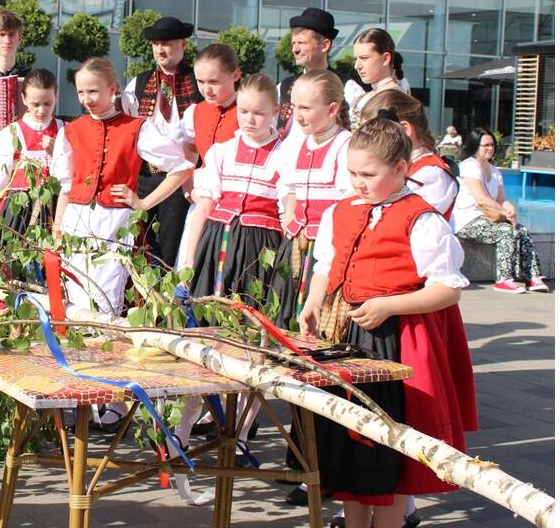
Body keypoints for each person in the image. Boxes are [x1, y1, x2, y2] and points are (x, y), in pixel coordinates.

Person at [297, 117, 477, 528]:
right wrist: (312, 302)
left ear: (400, 169)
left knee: (388, 452)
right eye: (353, 173)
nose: (358, 183)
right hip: (347, 340)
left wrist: (391, 305)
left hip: (394, 343)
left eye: (369, 175)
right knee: (352, 446)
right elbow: (326, 263)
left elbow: (447, 288)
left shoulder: (421, 219)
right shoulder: (341, 210)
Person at [52, 56, 192, 316]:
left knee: (105, 298)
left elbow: (182, 167)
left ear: (113, 89)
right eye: (81, 92)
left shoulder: (136, 128)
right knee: (73, 295)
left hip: (114, 220)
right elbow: (66, 186)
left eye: (93, 91)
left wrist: (143, 203)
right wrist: (58, 226)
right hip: (76, 221)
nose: (87, 99)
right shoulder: (71, 130)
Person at [184, 72, 283, 302]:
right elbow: (204, 207)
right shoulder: (223, 151)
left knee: (252, 310)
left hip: (260, 248)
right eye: (243, 111)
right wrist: (190, 259)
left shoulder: (285, 155)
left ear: (275, 111)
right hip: (217, 240)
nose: (249, 120)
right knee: (210, 306)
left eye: (259, 113)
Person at [272, 69, 353, 332]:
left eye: (305, 107)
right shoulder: (295, 144)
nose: (297, 115)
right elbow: (288, 185)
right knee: (286, 303)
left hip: (329, 244)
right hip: (297, 240)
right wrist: (288, 215)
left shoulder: (346, 145)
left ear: (332, 109)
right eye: (294, 106)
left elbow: (348, 200)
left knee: (321, 310)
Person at [123, 16, 204, 270]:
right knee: (140, 241)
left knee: (170, 247)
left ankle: (166, 303)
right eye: (156, 44)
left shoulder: (199, 83)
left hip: (180, 178)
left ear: (183, 45)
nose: (160, 49)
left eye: (167, 43)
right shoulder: (138, 83)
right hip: (145, 175)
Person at [173, 42, 243, 267]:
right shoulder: (196, 111)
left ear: (235, 75)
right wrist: (187, 185)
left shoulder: (247, 110)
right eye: (200, 82)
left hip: (236, 201)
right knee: (189, 262)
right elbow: (190, 147)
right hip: (202, 197)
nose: (206, 89)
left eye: (213, 82)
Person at [453, 128, 548, 293]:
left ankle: (532, 277)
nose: (490, 148)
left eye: (492, 145)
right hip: (467, 221)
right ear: (475, 146)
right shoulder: (469, 166)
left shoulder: (495, 171)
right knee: (506, 231)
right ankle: (503, 280)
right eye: (485, 145)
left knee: (522, 230)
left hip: (488, 219)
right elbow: (481, 199)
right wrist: (505, 213)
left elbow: (501, 199)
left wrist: (510, 208)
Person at [0, 68, 62, 256]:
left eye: (47, 103)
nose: (41, 110)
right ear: (24, 99)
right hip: (18, 214)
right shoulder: (9, 135)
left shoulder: (66, 131)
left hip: (58, 214)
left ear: (56, 97)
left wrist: (58, 155)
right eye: (35, 104)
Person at [361, 89, 458, 219]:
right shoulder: (401, 166)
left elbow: (404, 221)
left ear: (404, 129)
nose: (365, 140)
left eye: (372, 132)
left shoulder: (432, 175)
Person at [276, 8, 361, 140]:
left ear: (325, 45)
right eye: (293, 43)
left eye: (301, 43)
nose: (295, 49)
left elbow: (359, 134)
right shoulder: (284, 86)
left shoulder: (348, 88)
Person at [349, 28, 406, 130]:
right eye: (356, 59)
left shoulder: (397, 100)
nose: (357, 66)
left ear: (385, 58)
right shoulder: (363, 98)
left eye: (364, 58)